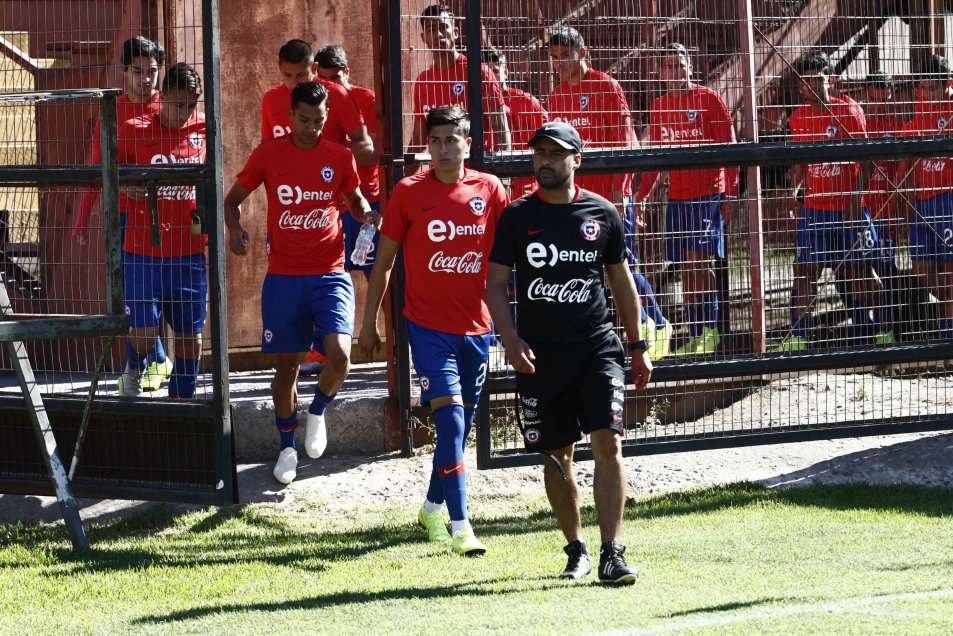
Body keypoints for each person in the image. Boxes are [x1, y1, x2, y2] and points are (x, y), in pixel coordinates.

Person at [486, 121, 652, 585]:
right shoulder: (517, 217)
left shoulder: (602, 214)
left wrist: (637, 346)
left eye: (555, 154)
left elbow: (621, 281)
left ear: (576, 159)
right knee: (558, 456)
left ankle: (612, 552)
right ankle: (576, 550)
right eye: (539, 153)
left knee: (609, 442)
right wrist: (510, 337)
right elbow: (495, 285)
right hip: (541, 355)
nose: (545, 161)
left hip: (597, 347)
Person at [359, 105, 509, 556]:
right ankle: (462, 525)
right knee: (451, 418)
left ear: (467, 143)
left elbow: (506, 259)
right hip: (425, 328)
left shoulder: (490, 189)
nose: (444, 149)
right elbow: (383, 262)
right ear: (428, 144)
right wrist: (369, 325)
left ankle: (429, 508)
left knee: (455, 431)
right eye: (436, 140)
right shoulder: (407, 192)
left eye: (452, 140)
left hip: (477, 327)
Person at [225, 82, 376, 484]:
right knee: (286, 366)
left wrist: (363, 211)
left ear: (328, 118)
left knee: (340, 355)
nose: (311, 127)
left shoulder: (340, 156)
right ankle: (286, 448)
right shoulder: (268, 155)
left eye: (319, 120)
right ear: (290, 116)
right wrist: (234, 228)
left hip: (330, 272)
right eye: (304, 119)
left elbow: (354, 197)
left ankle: (318, 411)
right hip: (284, 277)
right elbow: (231, 198)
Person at [546, 27, 672, 359]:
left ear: (582, 53)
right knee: (589, 267)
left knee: (621, 264)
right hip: (576, 199)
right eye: (554, 58)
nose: (559, 64)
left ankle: (654, 325)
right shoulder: (557, 96)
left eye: (565, 56)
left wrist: (620, 192)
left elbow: (624, 143)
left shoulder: (606, 86)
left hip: (611, 197)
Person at [261, 39, 374, 371]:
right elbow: (268, 155)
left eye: (302, 74)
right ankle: (306, 356)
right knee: (292, 282)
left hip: (332, 208)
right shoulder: (271, 100)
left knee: (340, 276)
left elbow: (366, 146)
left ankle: (338, 349)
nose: (295, 83)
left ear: (315, 69)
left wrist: (326, 160)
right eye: (287, 75)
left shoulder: (336, 95)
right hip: (289, 215)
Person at [73, 36, 173, 392]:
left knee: (157, 298)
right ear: (124, 71)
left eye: (152, 71)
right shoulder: (112, 112)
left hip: (167, 221)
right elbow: (95, 166)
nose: (146, 79)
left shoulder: (170, 108)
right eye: (138, 72)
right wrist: (82, 219)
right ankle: (154, 360)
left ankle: (145, 364)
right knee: (134, 302)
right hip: (124, 222)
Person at [775, 51, 890, 351]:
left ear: (831, 80)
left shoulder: (849, 111)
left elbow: (867, 161)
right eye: (805, 81)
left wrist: (856, 197)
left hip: (848, 209)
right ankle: (798, 339)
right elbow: (799, 163)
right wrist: (793, 191)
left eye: (817, 79)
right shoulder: (797, 117)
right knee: (804, 272)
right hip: (814, 210)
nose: (811, 86)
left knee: (858, 275)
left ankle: (883, 326)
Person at [636, 43, 739, 357]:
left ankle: (710, 330)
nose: (674, 72)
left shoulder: (709, 100)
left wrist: (730, 194)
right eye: (667, 67)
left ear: (690, 67)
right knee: (684, 267)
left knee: (698, 262)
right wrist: (641, 197)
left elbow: (731, 149)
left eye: (679, 65)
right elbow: (658, 159)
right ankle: (695, 333)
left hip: (708, 194)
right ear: (661, 72)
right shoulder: (659, 106)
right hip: (677, 198)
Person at [116, 63, 208, 401]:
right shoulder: (133, 129)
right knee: (142, 333)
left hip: (188, 250)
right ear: (163, 97)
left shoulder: (204, 129)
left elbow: (213, 181)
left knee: (190, 338)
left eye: (191, 104)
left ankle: (182, 400)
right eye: (178, 103)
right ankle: (132, 367)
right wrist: (127, 188)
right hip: (143, 249)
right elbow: (112, 176)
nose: (184, 112)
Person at [895, 55, 953, 340]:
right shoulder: (916, 122)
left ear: (948, 85)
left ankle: (947, 331)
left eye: (934, 87)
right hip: (922, 205)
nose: (927, 92)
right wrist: (903, 213)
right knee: (921, 269)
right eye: (924, 87)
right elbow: (903, 173)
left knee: (950, 269)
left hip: (948, 199)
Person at [314, 44, 381, 277]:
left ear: (347, 72)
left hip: (368, 200)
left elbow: (373, 152)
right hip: (331, 204)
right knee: (332, 276)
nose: (328, 84)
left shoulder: (366, 99)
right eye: (321, 78)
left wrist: (329, 161)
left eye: (334, 77)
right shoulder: (316, 103)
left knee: (377, 276)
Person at [411, 4, 510, 153]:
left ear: (456, 32)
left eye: (444, 27)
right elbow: (418, 140)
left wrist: (502, 171)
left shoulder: (479, 73)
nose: (438, 34)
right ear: (424, 37)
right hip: (440, 172)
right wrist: (403, 175)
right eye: (431, 29)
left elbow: (501, 130)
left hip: (475, 170)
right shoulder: (423, 81)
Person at [862, 72, 907, 339]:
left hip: (886, 213)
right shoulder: (859, 123)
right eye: (873, 98)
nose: (878, 104)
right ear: (866, 95)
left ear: (890, 95)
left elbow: (901, 173)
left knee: (885, 272)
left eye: (883, 98)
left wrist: (899, 214)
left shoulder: (896, 127)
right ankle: (863, 328)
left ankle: (884, 331)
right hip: (861, 212)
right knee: (856, 271)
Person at [481, 46, 548, 198]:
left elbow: (547, 137)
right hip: (489, 181)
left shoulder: (526, 101)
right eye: (486, 72)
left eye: (495, 71)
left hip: (525, 181)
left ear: (506, 73)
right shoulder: (476, 103)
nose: (491, 77)